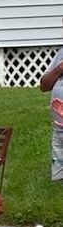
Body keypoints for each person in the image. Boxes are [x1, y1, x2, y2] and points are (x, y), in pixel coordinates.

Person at [41, 21, 63, 184]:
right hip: (59, 127)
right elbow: (44, 86)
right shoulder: (61, 53)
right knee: (58, 180)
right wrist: (59, 69)